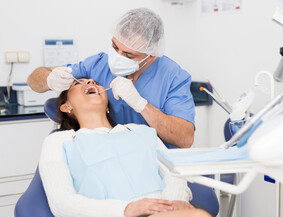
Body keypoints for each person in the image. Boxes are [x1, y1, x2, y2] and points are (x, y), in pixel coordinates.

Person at [39, 78, 245, 217]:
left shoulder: (141, 131)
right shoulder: (61, 141)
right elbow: (62, 203)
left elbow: (173, 171)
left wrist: (174, 203)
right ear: (66, 107)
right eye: (79, 83)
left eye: (94, 82)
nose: (91, 83)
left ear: (109, 105)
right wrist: (125, 209)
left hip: (171, 212)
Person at [27, 8, 195, 149]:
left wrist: (142, 105)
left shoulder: (173, 77)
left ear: (150, 57)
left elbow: (185, 139)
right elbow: (33, 80)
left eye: (128, 54)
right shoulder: (97, 65)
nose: (117, 57)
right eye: (115, 47)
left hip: (158, 162)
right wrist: (49, 79)